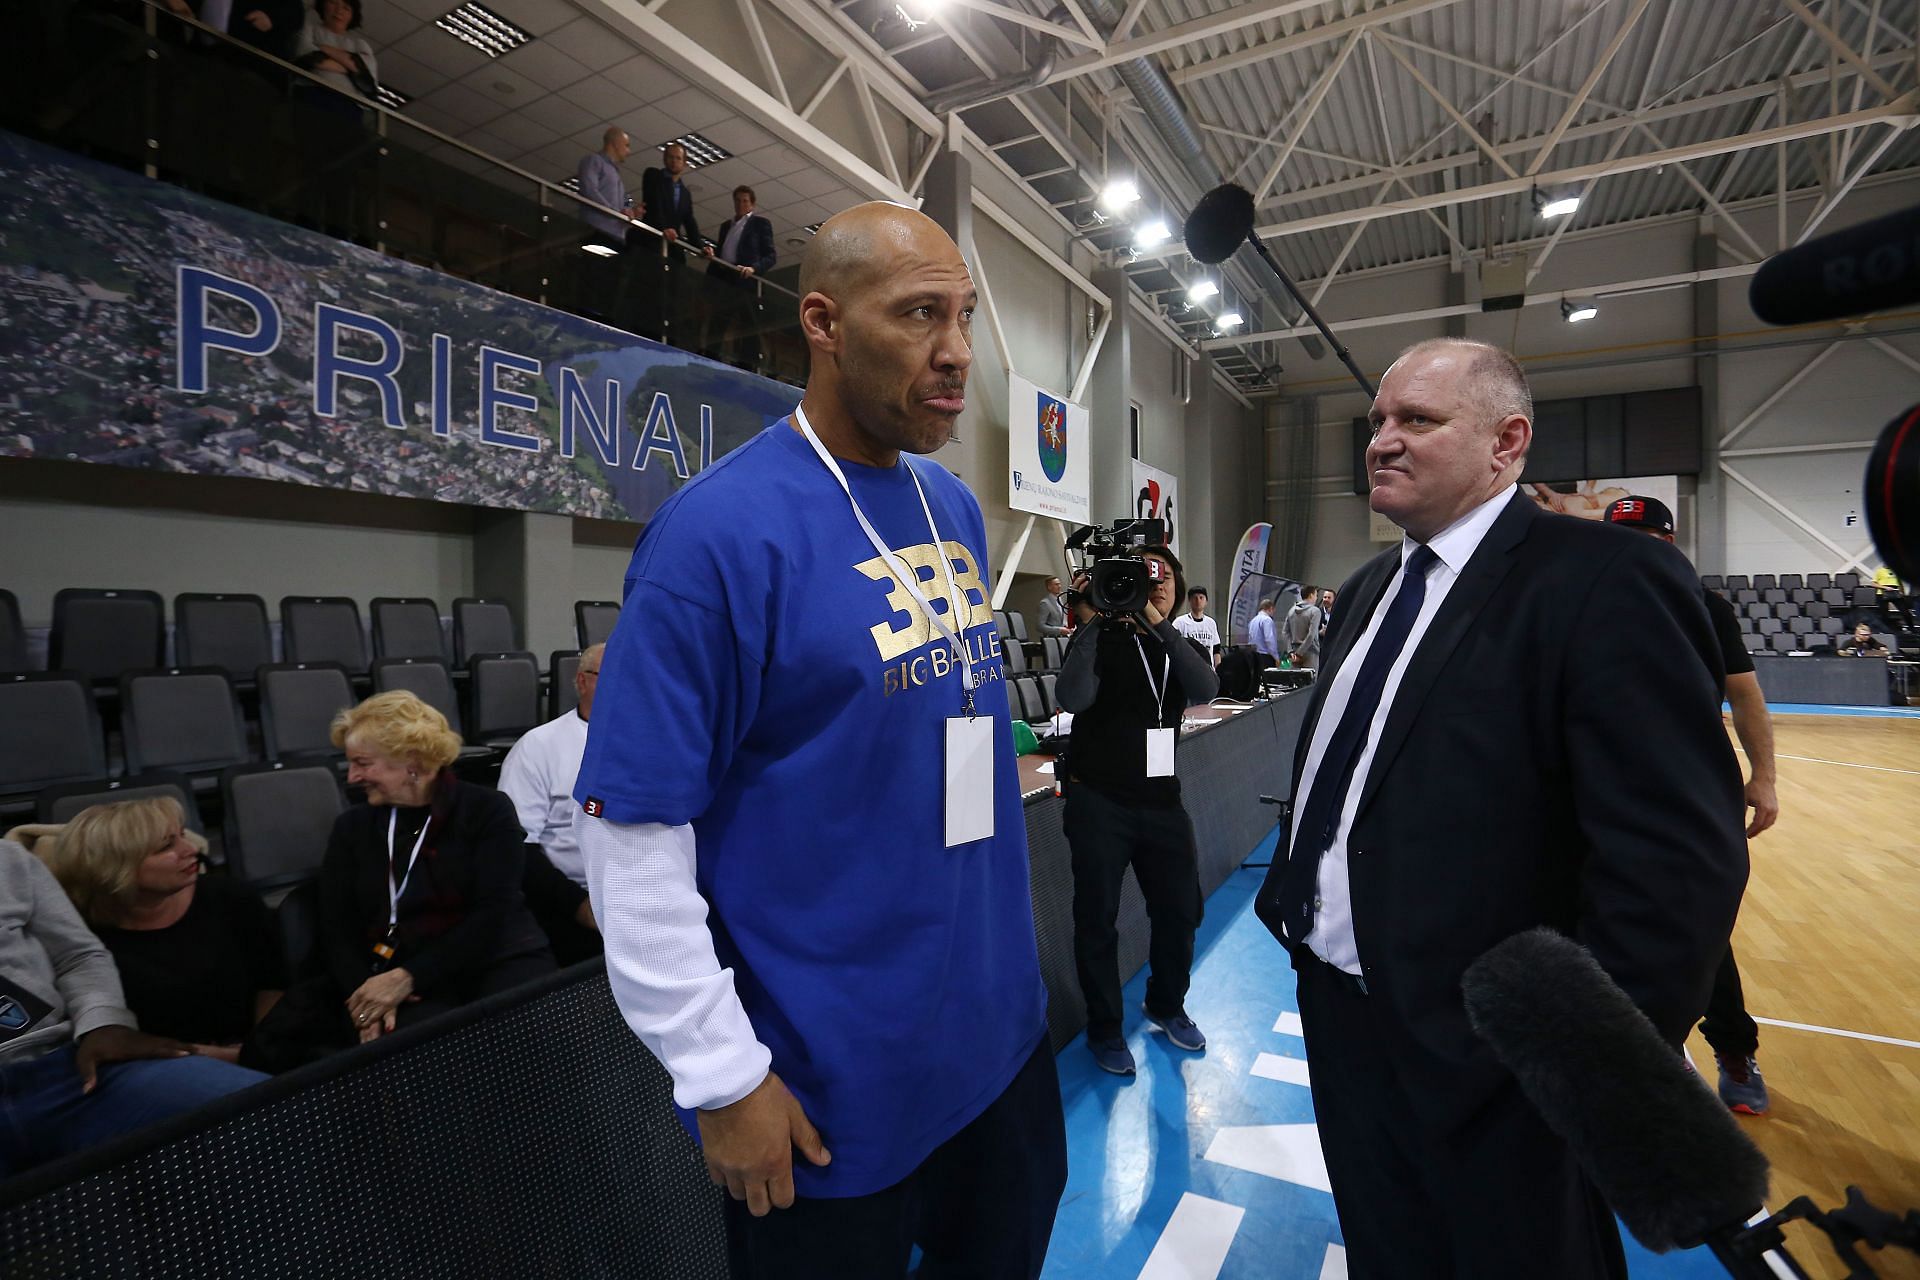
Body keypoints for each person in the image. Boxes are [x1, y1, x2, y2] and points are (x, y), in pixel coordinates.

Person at [574, 202, 1063, 1278]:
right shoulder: (713, 537)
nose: (957, 353)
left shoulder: (951, 504)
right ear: (823, 322)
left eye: (966, 316)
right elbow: (636, 834)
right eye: (920, 314)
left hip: (999, 1042)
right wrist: (719, 1073)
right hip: (828, 1090)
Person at [1255, 337, 1747, 1279]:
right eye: (1377, 423)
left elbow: (1675, 868)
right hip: (1346, 1015)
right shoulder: (1367, 591)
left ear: (1507, 442)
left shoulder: (1605, 579)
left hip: (1495, 1056)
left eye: (1419, 421)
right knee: (1388, 1244)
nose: (1383, 443)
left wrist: (1573, 1073)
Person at [1603, 495, 1779, 1115]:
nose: (1635, 548)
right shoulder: (1583, 601)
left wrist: (1764, 777)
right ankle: (1658, 1042)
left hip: (1691, 791)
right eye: (1623, 537)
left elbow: (1746, 696)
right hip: (1601, 788)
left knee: (1699, 931)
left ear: (1669, 543)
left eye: (1647, 537)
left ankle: (1731, 1048)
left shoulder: (1707, 608)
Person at [0, 839, 265, 1179]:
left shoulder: (11, 860)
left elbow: (77, 956)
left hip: (69, 1070)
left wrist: (103, 1021)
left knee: (275, 1109)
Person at [1056, 548, 1218, 1075]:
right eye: (1141, 577)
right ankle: (1105, 1028)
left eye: (1164, 575)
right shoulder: (1100, 636)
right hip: (1098, 798)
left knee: (1180, 910)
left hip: (1161, 800)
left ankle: (1166, 1003)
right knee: (1097, 920)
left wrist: (1155, 621)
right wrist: (1096, 621)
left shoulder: (1175, 643)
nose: (1155, 584)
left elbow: (1207, 689)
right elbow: (1073, 697)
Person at [38, 798, 286, 1065]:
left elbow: (272, 984)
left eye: (181, 835)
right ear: (112, 867)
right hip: (152, 1068)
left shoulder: (229, 897)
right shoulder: (75, 935)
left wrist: (260, 1049)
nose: (191, 849)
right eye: (167, 846)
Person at [499, 645, 605, 965]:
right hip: (568, 902)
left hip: (641, 895)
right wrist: (579, 906)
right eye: (610, 676)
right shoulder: (539, 747)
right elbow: (518, 846)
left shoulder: (653, 742)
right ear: (582, 681)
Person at [638, 142, 711, 341]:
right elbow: (654, 203)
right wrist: (663, 228)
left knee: (672, 296)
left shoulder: (685, 193)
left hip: (671, 250)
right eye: (670, 157)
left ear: (685, 163)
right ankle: (647, 331)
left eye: (678, 158)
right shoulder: (653, 176)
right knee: (650, 292)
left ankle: (668, 335)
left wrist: (701, 247)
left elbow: (689, 222)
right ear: (664, 159)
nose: (673, 161)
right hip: (653, 245)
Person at [704, 185, 777, 369]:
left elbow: (771, 256)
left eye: (745, 201)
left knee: (748, 326)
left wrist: (754, 268)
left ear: (752, 205)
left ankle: (747, 366)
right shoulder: (726, 226)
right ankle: (710, 358)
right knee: (718, 322)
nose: (740, 204)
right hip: (725, 279)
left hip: (746, 281)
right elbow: (723, 252)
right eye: (737, 201)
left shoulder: (760, 224)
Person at [576, 127, 638, 324]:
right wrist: (614, 212)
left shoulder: (617, 175)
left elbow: (622, 206)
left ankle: (605, 321)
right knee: (594, 280)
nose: (628, 151)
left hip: (616, 238)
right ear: (615, 143)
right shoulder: (593, 161)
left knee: (610, 286)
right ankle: (588, 318)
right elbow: (589, 190)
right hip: (598, 233)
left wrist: (629, 213)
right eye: (626, 145)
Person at [292, 0, 377, 103]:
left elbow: (368, 83)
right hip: (310, 95)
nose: (339, 11)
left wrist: (324, 48)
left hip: (349, 106)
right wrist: (350, 69)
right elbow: (307, 59)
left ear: (352, 15)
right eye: (333, 2)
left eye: (346, 8)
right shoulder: (309, 29)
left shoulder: (360, 44)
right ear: (323, 5)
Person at [1171, 585, 1221, 666]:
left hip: (1208, 669)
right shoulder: (1180, 622)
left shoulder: (1211, 623)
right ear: (1189, 601)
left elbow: (1216, 650)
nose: (1198, 601)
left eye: (1201, 597)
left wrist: (1218, 671)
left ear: (1206, 601)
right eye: (1195, 598)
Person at [1283, 586, 1323, 670]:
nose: (1316, 598)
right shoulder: (1315, 611)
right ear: (1311, 595)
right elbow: (1311, 634)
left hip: (1294, 651)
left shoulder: (1291, 610)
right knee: (1309, 681)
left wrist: (1290, 651)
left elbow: (1285, 632)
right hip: (1311, 651)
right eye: (1316, 595)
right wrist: (1300, 653)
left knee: (1294, 680)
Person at [1248, 597, 1280, 665]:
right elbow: (1269, 640)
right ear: (1271, 608)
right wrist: (1276, 657)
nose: (1273, 613)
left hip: (1254, 656)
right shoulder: (1267, 620)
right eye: (1273, 610)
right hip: (1266, 657)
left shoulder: (1253, 621)